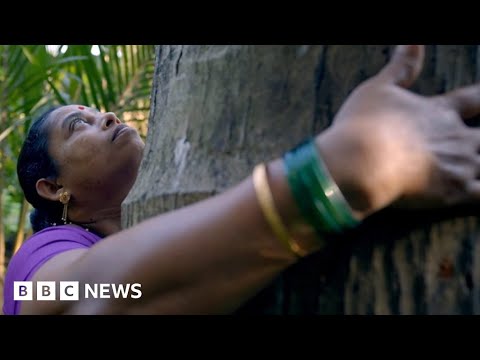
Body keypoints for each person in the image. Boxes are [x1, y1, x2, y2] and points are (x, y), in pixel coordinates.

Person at [4, 44, 480, 315]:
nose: (105, 115)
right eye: (77, 125)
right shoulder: (36, 263)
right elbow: (85, 296)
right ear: (53, 188)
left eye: (95, 112)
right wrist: (338, 173)